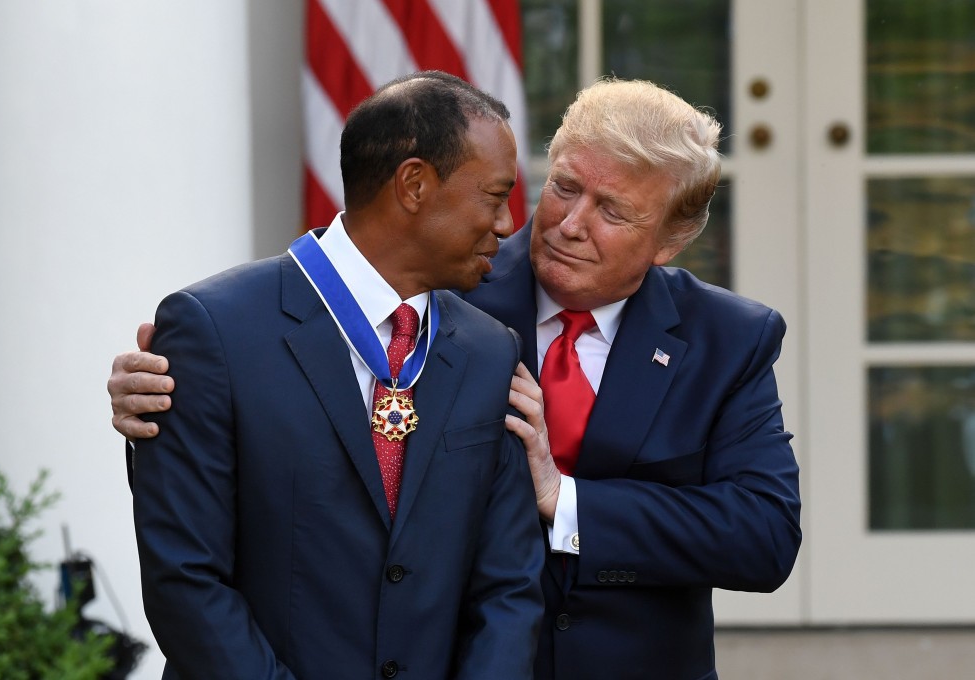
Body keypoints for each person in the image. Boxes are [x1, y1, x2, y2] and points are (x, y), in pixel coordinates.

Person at [110, 77, 802, 680]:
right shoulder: (443, 286)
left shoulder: (729, 339)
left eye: (613, 211)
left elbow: (765, 534)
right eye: (563, 188)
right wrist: (170, 385)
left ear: (672, 238)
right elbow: (288, 345)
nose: (566, 224)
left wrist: (565, 502)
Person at [123, 71, 545, 680]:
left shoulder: (489, 351)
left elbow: (507, 588)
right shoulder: (212, 330)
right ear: (415, 184)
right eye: (494, 195)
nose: (507, 225)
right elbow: (185, 579)